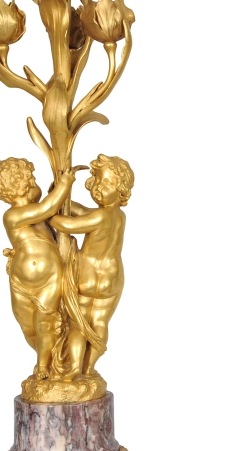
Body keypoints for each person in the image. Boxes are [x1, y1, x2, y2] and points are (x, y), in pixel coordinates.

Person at [0, 158, 76, 379]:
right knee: (27, 326)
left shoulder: (41, 216)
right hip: (20, 283)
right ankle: (49, 357)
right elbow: (48, 207)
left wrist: (57, 192)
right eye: (33, 179)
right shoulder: (13, 215)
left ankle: (44, 366)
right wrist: (64, 184)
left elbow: (52, 211)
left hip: (50, 278)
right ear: (22, 185)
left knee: (45, 322)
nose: (36, 183)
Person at [50, 154, 134, 379]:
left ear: (121, 188)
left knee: (78, 322)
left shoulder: (99, 217)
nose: (99, 187)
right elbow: (81, 211)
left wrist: (49, 211)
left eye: (107, 183)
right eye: (97, 181)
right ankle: (88, 368)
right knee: (100, 322)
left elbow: (66, 225)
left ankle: (75, 367)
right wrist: (62, 199)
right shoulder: (118, 216)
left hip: (87, 275)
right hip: (112, 278)